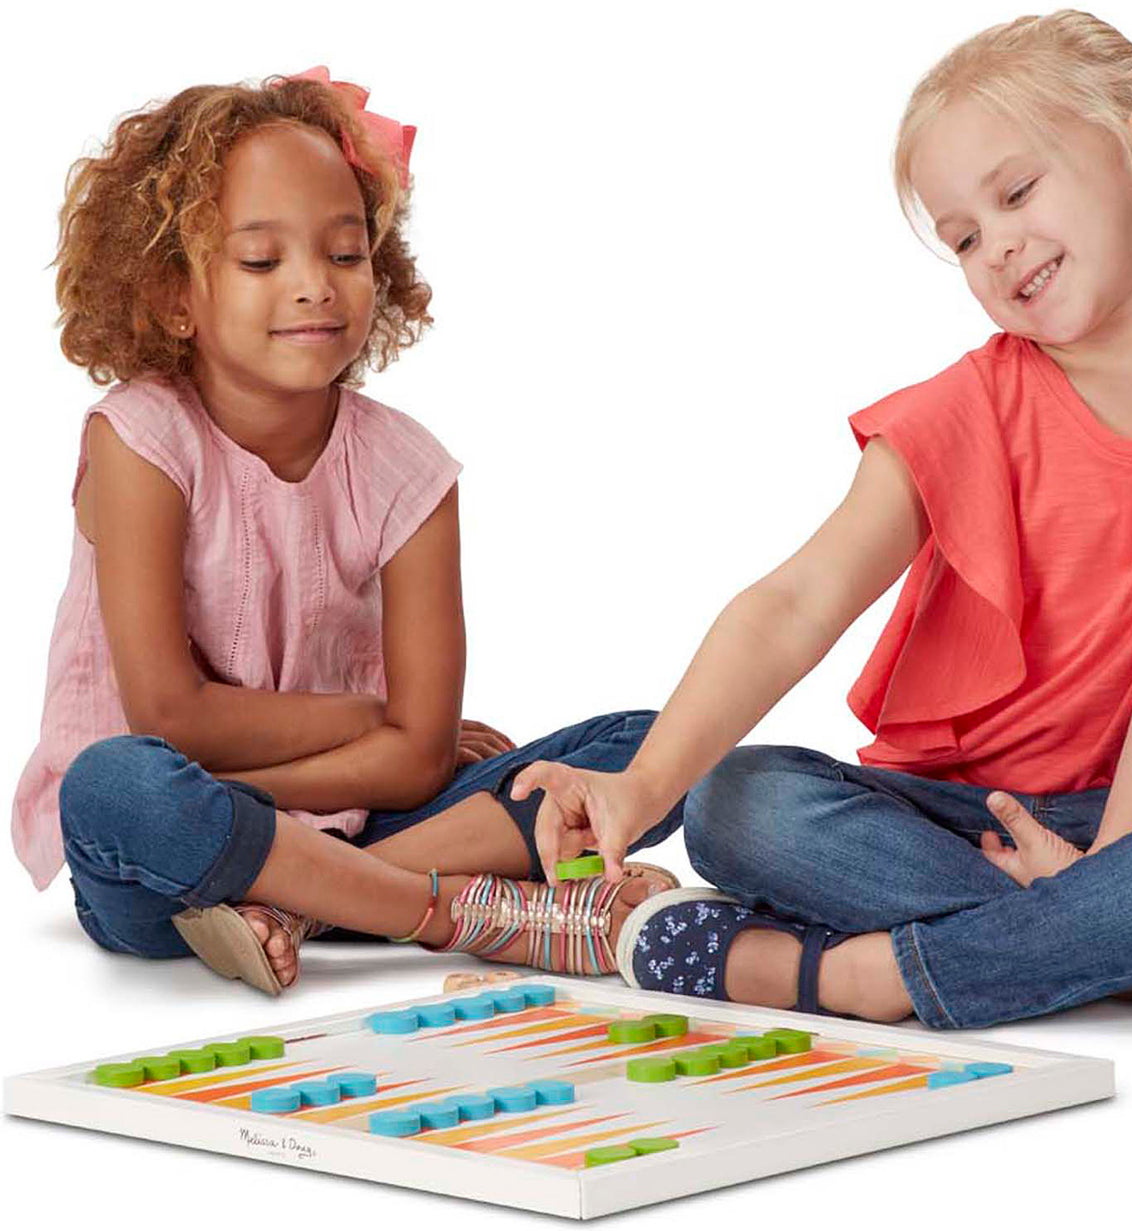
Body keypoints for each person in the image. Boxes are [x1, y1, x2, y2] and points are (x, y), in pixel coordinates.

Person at [507, 11, 1132, 1031]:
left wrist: (1114, 863)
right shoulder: (965, 406)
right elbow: (794, 600)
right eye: (961, 238)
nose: (995, 248)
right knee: (734, 802)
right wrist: (641, 789)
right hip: (954, 820)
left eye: (1016, 193)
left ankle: (847, 977)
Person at [10, 66, 682, 995]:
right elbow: (172, 718)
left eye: (345, 253)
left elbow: (415, 762)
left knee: (657, 747)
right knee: (114, 782)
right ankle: (446, 909)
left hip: (353, 821)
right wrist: (379, 720)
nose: (313, 288)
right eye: (261, 261)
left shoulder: (409, 471)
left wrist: (401, 748)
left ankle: (298, 902)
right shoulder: (140, 439)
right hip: (167, 869)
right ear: (173, 295)